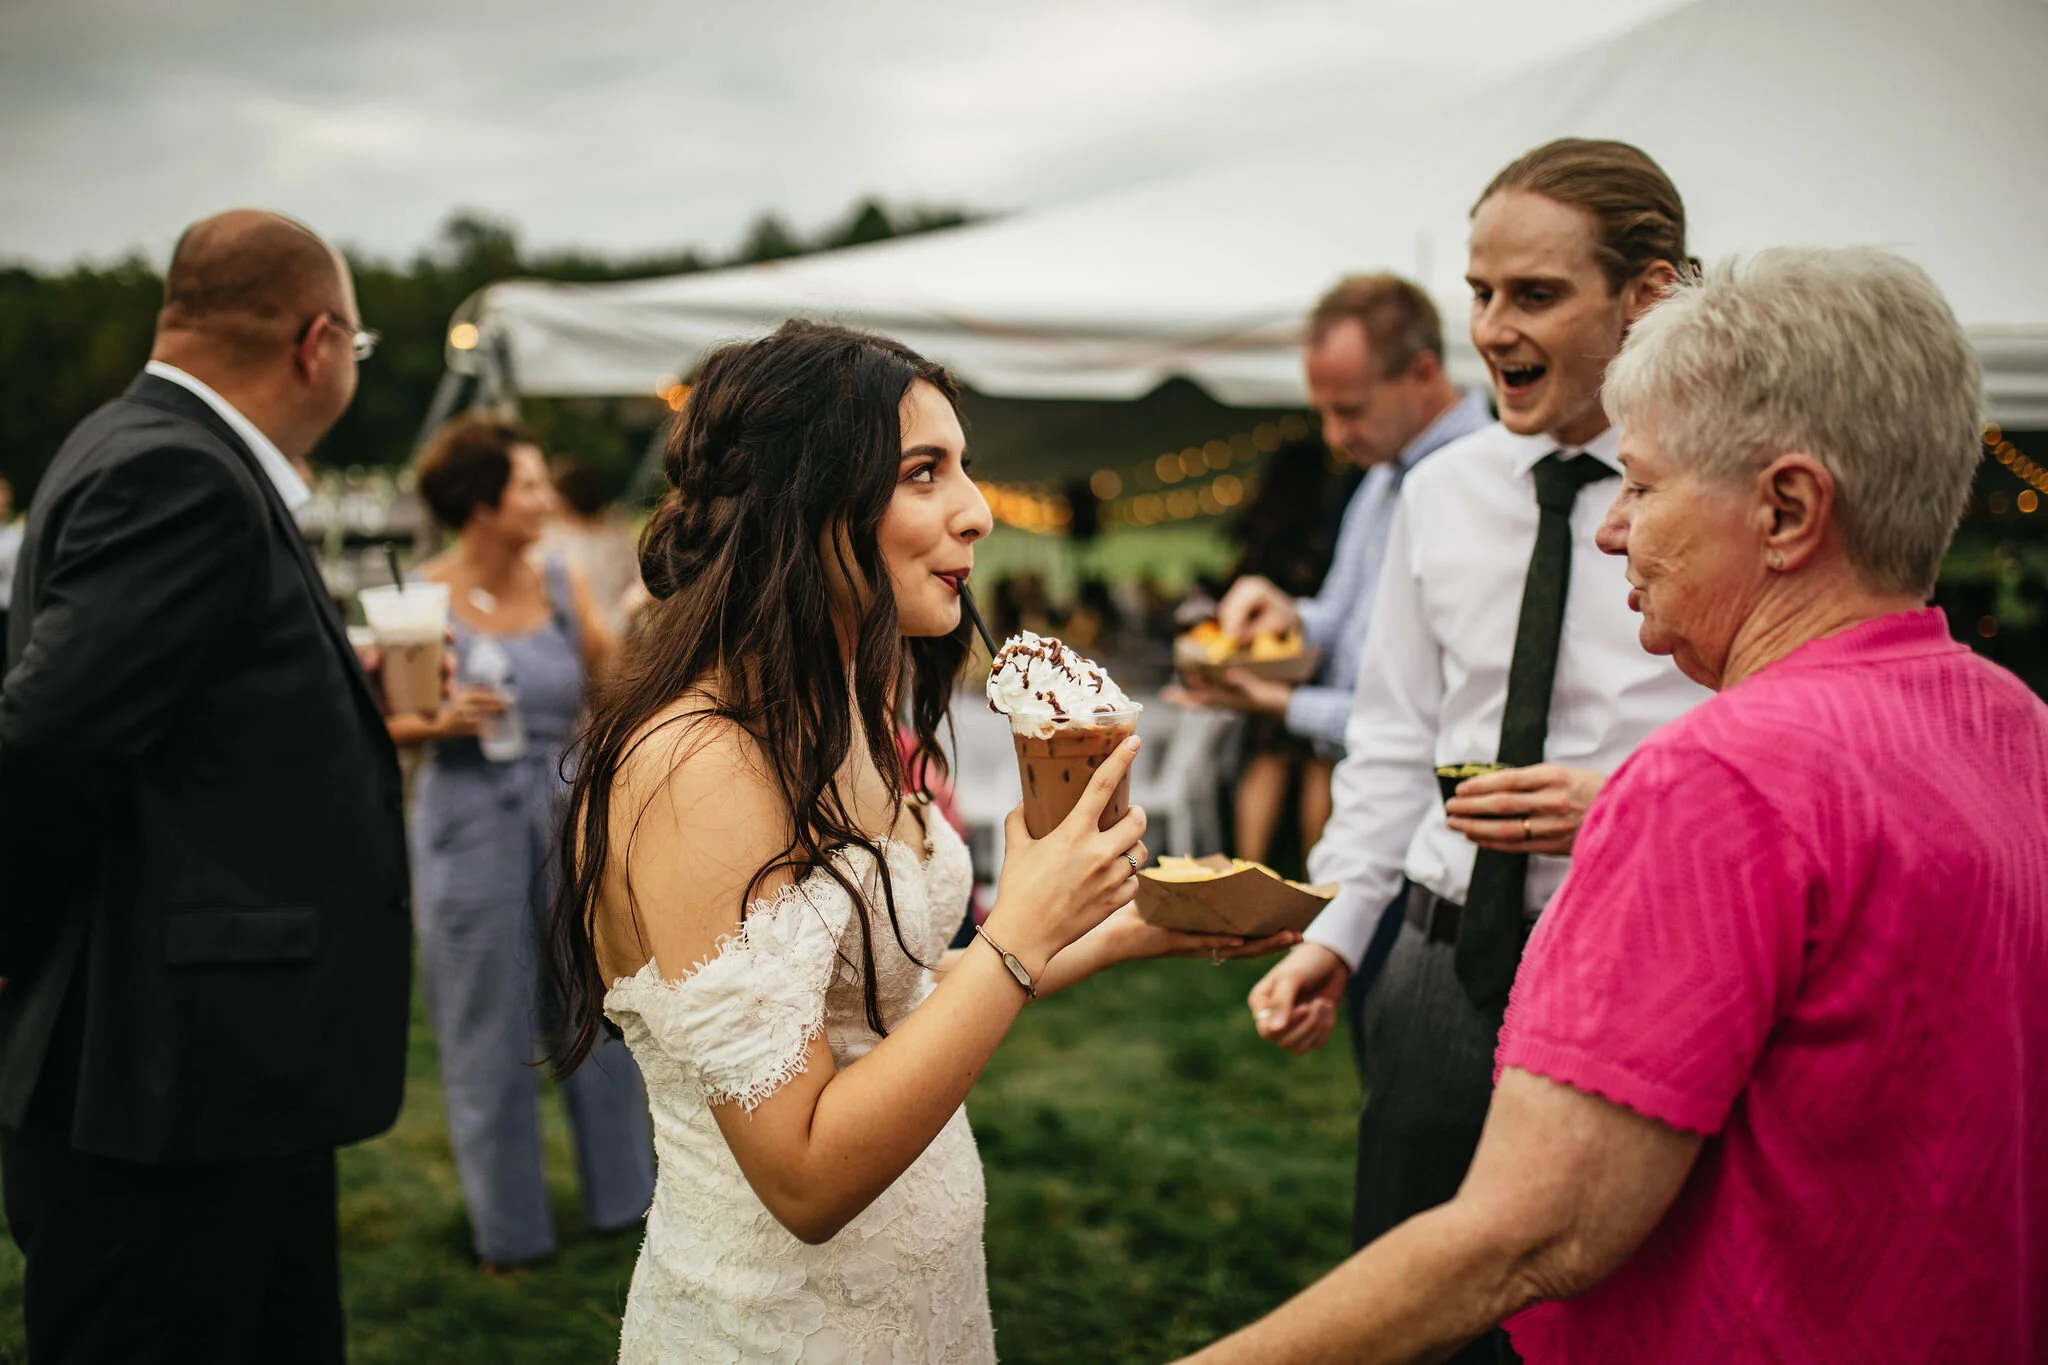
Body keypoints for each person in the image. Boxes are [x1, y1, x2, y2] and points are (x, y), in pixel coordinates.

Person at [1182, 247, 2048, 1365]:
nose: (1607, 527)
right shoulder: (2009, 719)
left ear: (1786, 509)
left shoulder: (1717, 775)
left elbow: (1526, 1235)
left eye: (1639, 485)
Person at [540, 320, 1297, 1362]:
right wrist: (1017, 936)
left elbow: (875, 1007)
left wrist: (1116, 934)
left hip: (922, 1305)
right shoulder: (699, 765)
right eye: (922, 473)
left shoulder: (843, 709)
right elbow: (802, 1174)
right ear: (802, 502)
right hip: (778, 1331)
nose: (977, 513)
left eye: (965, 470)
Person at [1247, 139, 1711, 1362]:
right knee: (1405, 1307)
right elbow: (1392, 741)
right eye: (1480, 293)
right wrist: (1335, 933)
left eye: (1534, 295)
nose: (1491, 328)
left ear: (1648, 296)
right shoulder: (1436, 496)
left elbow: (1788, 727)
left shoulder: (1722, 493)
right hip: (1438, 965)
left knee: (1617, 1312)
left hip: (1645, 963)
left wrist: (1624, 796)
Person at [0, 210, 411, 1363]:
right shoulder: (180, 472)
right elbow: (45, 739)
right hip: (167, 1085)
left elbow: (165, 718)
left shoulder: (135, 443)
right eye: (358, 348)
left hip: (214, 1072)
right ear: (316, 340)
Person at [387, 415, 653, 1271]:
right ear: (481, 502)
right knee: (484, 1026)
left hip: (564, 810)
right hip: (465, 823)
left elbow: (612, 679)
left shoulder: (562, 577)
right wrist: (438, 717)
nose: (544, 499)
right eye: (528, 485)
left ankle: (630, 1205)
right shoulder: (420, 598)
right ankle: (510, 1233)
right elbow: (396, 723)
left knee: (596, 1006)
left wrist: (643, 623)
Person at [543, 455, 644, 633]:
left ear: (563, 500)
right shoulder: (620, 540)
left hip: (592, 638)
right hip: (622, 632)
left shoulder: (552, 544)